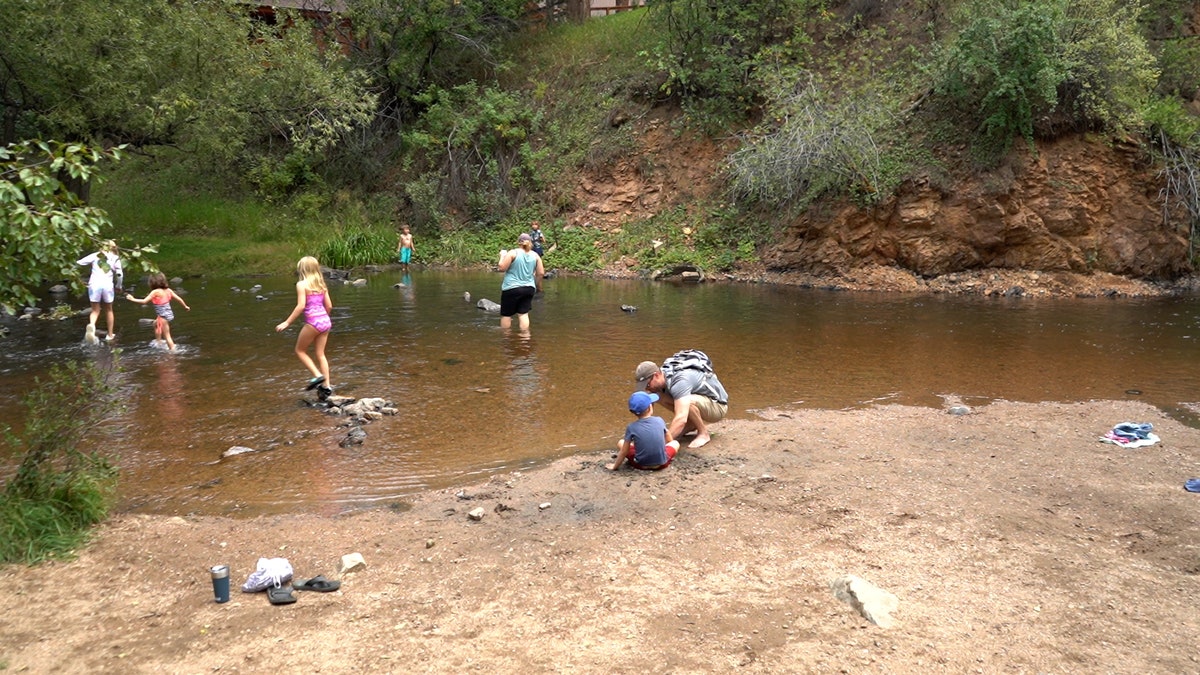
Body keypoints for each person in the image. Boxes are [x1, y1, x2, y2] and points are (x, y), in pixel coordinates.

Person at [635, 349, 729, 449]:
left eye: (647, 384)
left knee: (687, 402)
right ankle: (691, 424)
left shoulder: (680, 381)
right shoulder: (664, 374)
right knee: (655, 395)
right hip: (700, 399)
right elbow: (648, 406)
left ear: (657, 375)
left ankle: (703, 433)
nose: (646, 388)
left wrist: (660, 444)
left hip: (717, 405)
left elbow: (681, 418)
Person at [275, 256, 333, 399]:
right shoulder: (322, 284)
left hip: (313, 322)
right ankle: (327, 386)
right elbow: (329, 306)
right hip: (325, 321)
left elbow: (300, 306)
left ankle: (318, 375)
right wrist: (323, 317)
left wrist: (287, 322)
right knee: (321, 354)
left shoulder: (301, 284)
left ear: (303, 269)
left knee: (300, 350)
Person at [609, 391, 680, 471]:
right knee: (675, 443)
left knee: (621, 443)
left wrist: (615, 467)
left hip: (640, 465)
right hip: (662, 464)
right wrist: (666, 448)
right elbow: (668, 436)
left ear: (633, 412)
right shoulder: (659, 420)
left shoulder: (631, 427)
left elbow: (624, 451)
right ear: (650, 407)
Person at [125, 272, 191, 351]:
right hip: (167, 314)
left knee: (167, 335)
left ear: (152, 283)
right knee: (155, 324)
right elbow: (179, 299)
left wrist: (132, 299)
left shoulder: (155, 292)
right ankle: (158, 342)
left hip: (163, 317)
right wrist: (185, 306)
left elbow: (144, 301)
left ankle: (173, 350)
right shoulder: (168, 290)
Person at [497, 232, 544, 332]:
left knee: (506, 315)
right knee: (523, 314)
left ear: (518, 242)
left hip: (511, 288)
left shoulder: (513, 253)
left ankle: (506, 340)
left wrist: (502, 255)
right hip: (529, 288)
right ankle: (525, 338)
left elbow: (501, 268)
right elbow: (541, 273)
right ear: (530, 243)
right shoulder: (535, 255)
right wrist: (536, 286)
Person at [78, 240, 123, 343]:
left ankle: (92, 327)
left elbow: (80, 262)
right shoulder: (115, 258)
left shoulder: (95, 255)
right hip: (107, 286)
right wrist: (118, 286)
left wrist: (76, 277)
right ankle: (110, 335)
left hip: (94, 285)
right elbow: (120, 275)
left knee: (95, 310)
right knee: (109, 310)